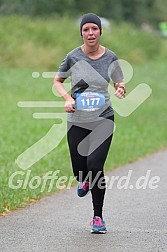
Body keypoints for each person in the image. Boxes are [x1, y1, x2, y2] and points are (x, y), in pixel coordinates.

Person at [54, 13, 126, 234]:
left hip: (103, 119)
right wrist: (67, 98)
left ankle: (97, 217)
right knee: (80, 169)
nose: (90, 33)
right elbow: (57, 81)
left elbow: (119, 80)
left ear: (100, 31)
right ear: (82, 33)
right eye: (86, 30)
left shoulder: (110, 57)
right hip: (78, 120)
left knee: (95, 166)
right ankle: (82, 179)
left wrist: (121, 88)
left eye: (94, 29)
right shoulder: (73, 57)